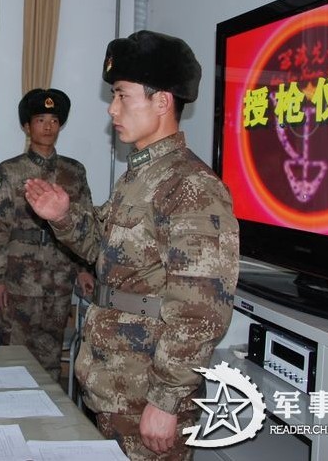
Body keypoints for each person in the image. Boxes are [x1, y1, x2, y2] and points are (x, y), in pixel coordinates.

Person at [25, 31, 240, 460]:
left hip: (146, 391)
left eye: (123, 96)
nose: (112, 108)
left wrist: (165, 400)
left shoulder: (191, 186)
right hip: (112, 383)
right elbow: (104, 250)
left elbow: (200, 309)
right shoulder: (138, 177)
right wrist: (63, 216)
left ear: (162, 102)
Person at [0, 88, 95, 383]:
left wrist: (84, 269)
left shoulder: (74, 172)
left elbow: (85, 223)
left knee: (50, 358)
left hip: (59, 280)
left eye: (54, 120)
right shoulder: (9, 171)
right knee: (12, 357)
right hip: (19, 280)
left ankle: (47, 424)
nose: (48, 127)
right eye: (40, 119)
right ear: (27, 126)